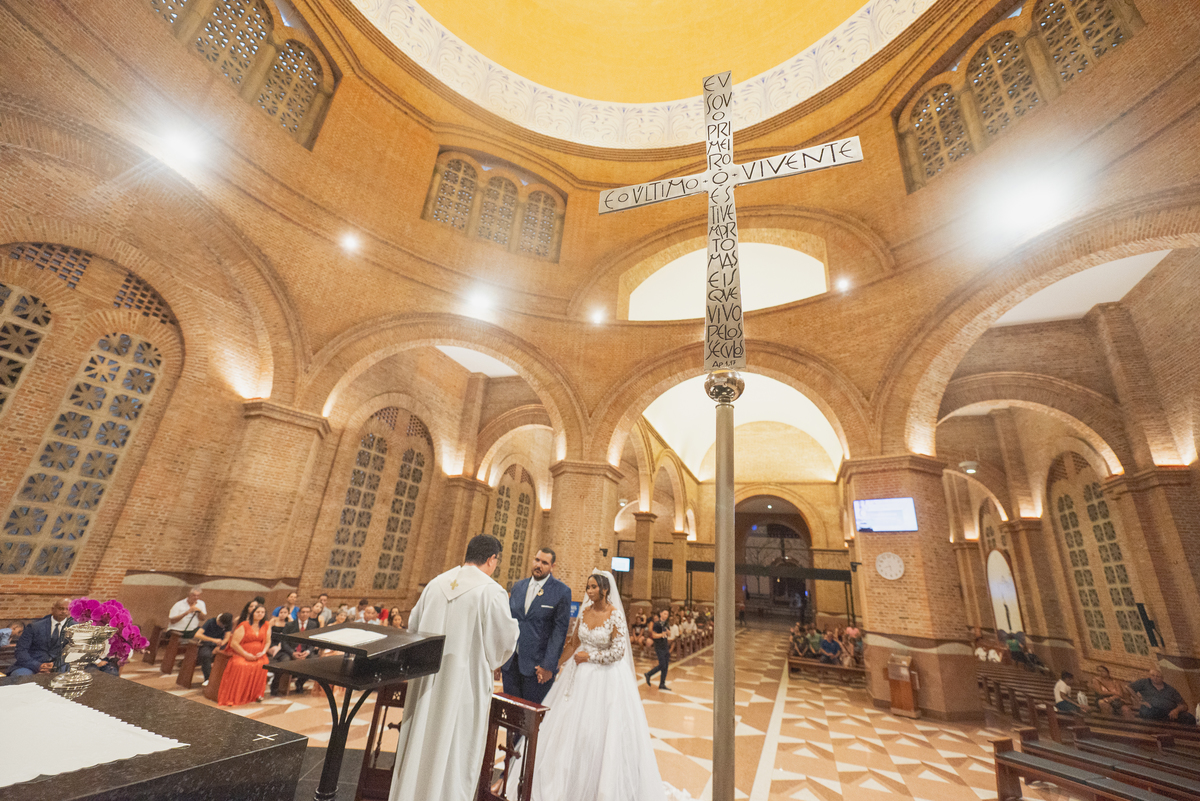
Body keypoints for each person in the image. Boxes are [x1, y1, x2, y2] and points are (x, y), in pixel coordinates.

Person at [518, 570, 692, 801]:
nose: (589, 591)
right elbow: (572, 644)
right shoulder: (585, 612)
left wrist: (589, 657)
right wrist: (552, 666)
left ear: (605, 589)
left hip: (606, 678)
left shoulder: (615, 615)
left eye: (593, 587)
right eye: (587, 587)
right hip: (578, 678)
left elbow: (618, 652)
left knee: (600, 731)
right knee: (571, 729)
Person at [390, 535, 519, 801]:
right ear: (492, 559)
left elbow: (413, 628)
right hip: (464, 690)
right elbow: (503, 643)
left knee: (419, 745)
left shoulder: (435, 585)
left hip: (425, 683)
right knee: (455, 752)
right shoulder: (491, 592)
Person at [502, 547, 572, 705]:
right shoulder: (518, 587)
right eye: (537, 560)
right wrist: (501, 657)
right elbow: (509, 622)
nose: (539, 565)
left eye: (545, 563)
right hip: (511, 664)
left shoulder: (561, 592)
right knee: (511, 715)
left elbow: (559, 632)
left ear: (552, 566)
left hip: (537, 668)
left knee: (530, 720)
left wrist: (548, 666)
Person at [219, 604, 271, 706]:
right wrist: (246, 654)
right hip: (241, 653)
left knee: (264, 663)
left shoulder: (266, 625)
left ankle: (255, 695)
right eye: (258, 612)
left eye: (262, 612)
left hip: (259, 655)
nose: (260, 614)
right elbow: (234, 643)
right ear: (253, 613)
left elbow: (268, 642)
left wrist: (264, 651)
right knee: (241, 665)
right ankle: (236, 696)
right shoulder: (244, 625)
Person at [10, 598, 74, 676]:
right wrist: (37, 665)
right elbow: (21, 650)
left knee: (69, 675)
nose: (64, 611)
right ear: (53, 609)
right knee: (20, 676)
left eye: (68, 609)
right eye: (61, 608)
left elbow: (76, 652)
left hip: (61, 666)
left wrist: (56, 664)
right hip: (31, 666)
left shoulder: (75, 628)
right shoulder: (34, 627)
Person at [271, 605, 319, 695]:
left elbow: (314, 641)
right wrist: (292, 652)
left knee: (314, 661)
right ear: (298, 614)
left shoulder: (313, 625)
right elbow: (284, 642)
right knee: (285, 661)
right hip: (289, 651)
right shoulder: (290, 625)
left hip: (305, 651)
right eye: (303, 612)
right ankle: (275, 686)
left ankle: (300, 683)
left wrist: (308, 651)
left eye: (307, 612)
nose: (305, 614)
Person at [1130, 668, 1197, 724]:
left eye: (1158, 676)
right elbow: (1128, 688)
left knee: (1190, 718)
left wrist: (1176, 710)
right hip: (1151, 710)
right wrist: (1139, 701)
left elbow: (1184, 705)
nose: (1155, 678)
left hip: (1168, 713)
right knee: (1145, 712)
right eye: (1153, 675)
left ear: (1162, 678)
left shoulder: (1170, 689)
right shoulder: (1144, 682)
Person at [194, 612, 233, 686]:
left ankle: (224, 679)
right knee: (205, 655)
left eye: (224, 626)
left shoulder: (228, 623)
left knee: (227, 655)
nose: (222, 627)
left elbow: (226, 638)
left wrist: (219, 646)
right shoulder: (210, 622)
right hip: (207, 644)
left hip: (220, 645)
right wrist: (213, 640)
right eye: (221, 625)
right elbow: (197, 634)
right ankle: (208, 678)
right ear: (218, 620)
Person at [644, 608, 671, 690]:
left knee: (666, 666)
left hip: (665, 645)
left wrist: (667, 631)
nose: (666, 615)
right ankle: (648, 674)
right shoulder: (656, 624)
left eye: (667, 614)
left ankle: (662, 684)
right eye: (665, 613)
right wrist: (661, 635)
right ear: (661, 614)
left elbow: (669, 634)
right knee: (662, 664)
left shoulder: (666, 624)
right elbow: (654, 635)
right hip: (659, 647)